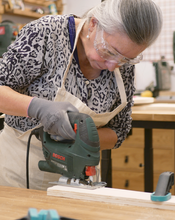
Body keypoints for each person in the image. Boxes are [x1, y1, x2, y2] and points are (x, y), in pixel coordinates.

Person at [0, 0, 163, 190]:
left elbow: (119, 130)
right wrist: (37, 108)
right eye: (109, 52)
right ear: (93, 24)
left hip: (82, 178)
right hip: (22, 172)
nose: (113, 66)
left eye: (126, 59)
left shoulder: (121, 62)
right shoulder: (46, 33)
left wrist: (85, 139)